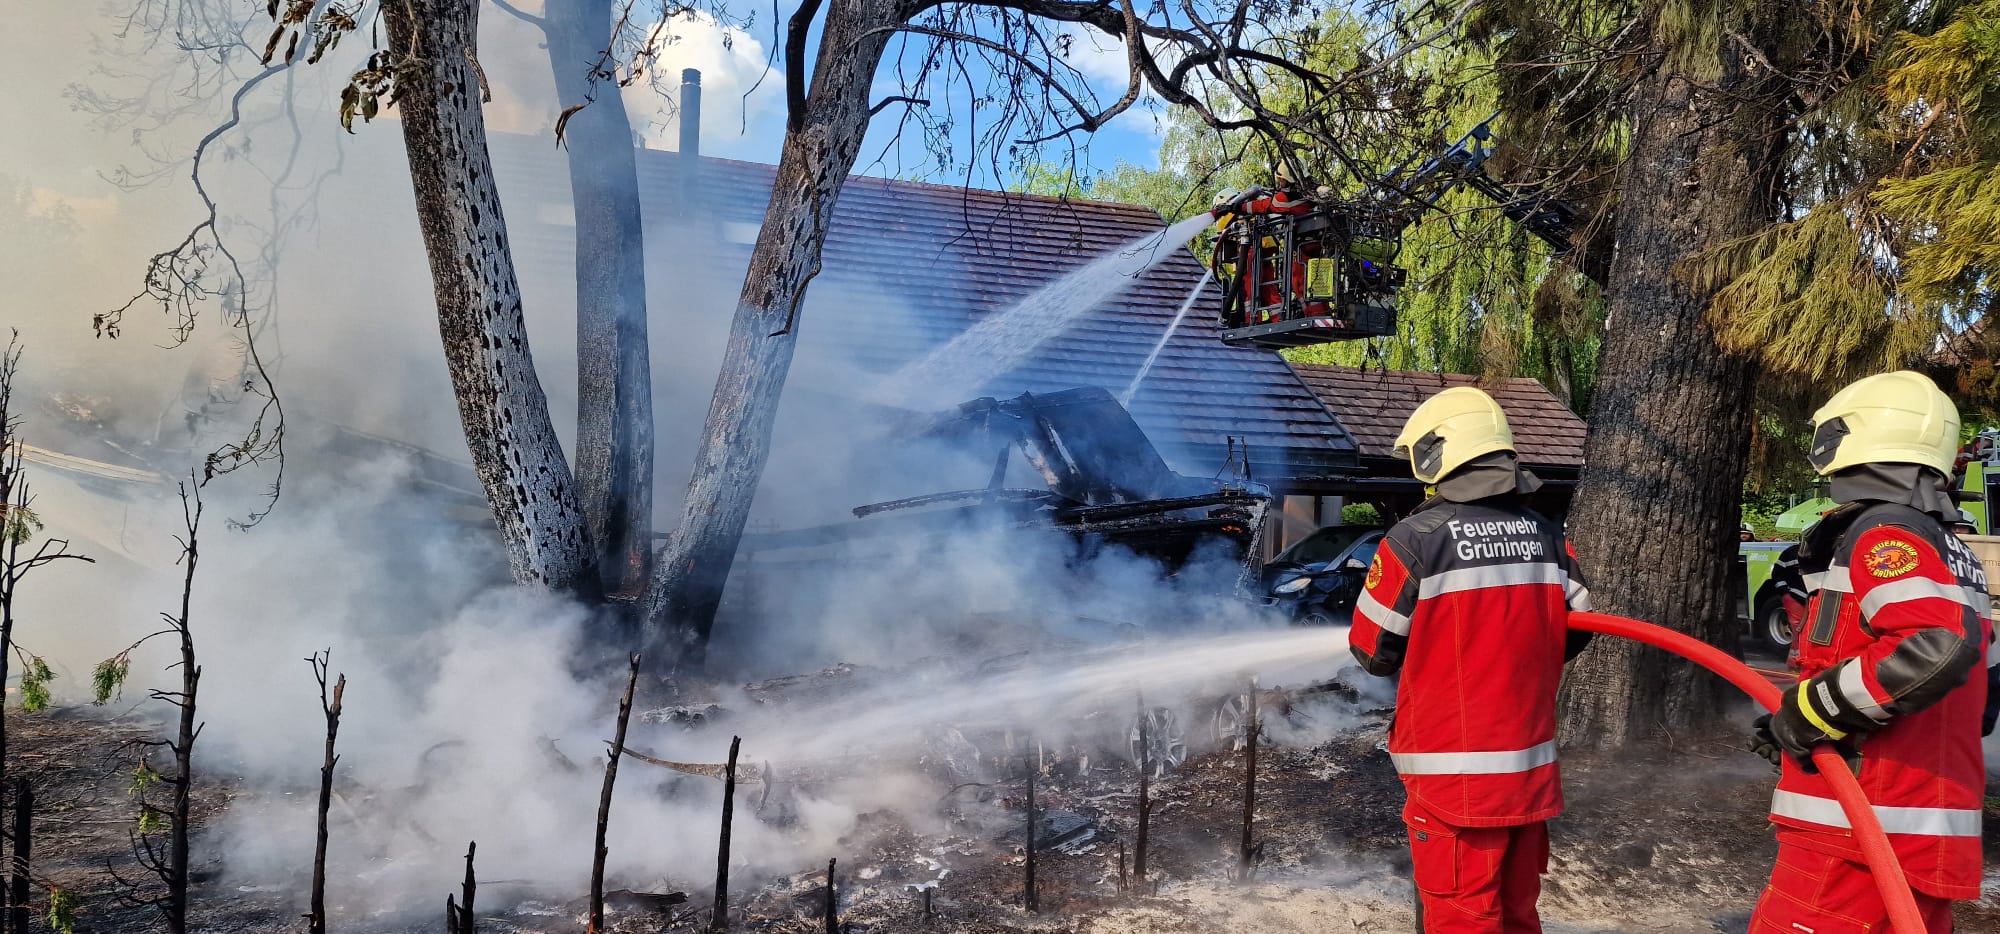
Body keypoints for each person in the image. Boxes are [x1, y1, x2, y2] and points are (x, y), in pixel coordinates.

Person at [1746, 370, 1997, 932]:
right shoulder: (1952, 552)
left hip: (1860, 836)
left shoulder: (1885, 534)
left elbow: (1936, 647)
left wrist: (1810, 714)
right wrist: (1797, 723)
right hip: (1917, 833)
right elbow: (1981, 695)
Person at [1349, 387, 1593, 933]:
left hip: (1451, 782)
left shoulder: (1416, 539)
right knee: (1517, 916)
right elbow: (1576, 629)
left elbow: (1372, 653)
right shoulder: (1548, 537)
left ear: (1437, 453)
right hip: (1528, 774)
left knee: (1463, 919)